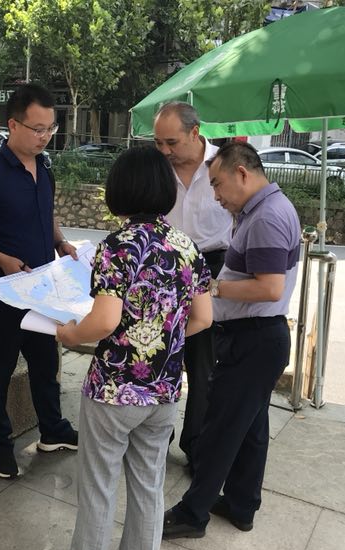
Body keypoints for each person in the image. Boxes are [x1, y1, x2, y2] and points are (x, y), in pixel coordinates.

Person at [57, 146, 213, 550]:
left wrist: (70, 334)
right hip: (164, 390)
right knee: (149, 485)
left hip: (113, 389)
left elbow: (104, 321)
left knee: (98, 485)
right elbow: (203, 318)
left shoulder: (117, 247)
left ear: (119, 191)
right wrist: (161, 337)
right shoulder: (186, 246)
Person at [162, 141, 300, 539]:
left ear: (242, 173)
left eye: (217, 185)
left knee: (221, 429)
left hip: (253, 340)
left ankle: (193, 514)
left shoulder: (267, 217)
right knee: (251, 428)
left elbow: (270, 288)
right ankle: (242, 505)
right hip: (258, 337)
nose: (216, 196)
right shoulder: (260, 210)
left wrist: (211, 288)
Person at [0, 83, 78, 479]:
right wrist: (2, 259)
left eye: (50, 128)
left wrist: (61, 242)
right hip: (5, 293)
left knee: (46, 364)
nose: (45, 136)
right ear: (12, 125)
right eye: (37, 128)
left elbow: (47, 213)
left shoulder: (44, 167)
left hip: (43, 290)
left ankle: (53, 430)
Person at [153, 102, 232, 473]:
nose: (165, 150)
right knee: (157, 356)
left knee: (203, 364)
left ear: (195, 132)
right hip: (164, 270)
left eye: (172, 142)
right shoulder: (157, 169)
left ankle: (197, 444)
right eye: (158, 143)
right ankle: (155, 439)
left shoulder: (224, 165)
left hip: (212, 268)